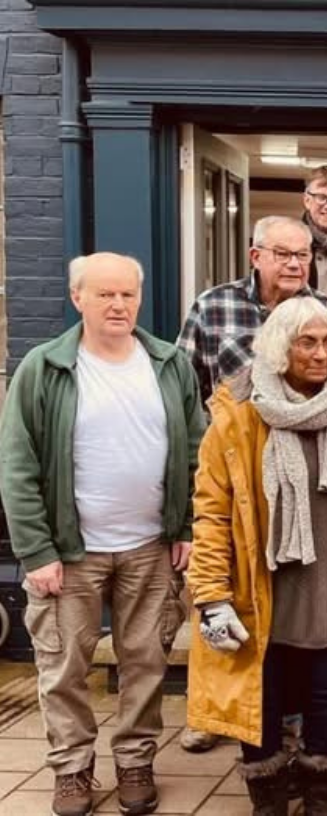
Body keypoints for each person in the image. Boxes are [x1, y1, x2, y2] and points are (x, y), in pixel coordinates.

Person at [0, 252, 206, 816]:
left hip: (151, 547)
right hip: (70, 553)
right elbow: (17, 466)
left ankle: (136, 761)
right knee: (64, 667)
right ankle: (72, 770)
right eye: (104, 294)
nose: (118, 305)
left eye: (127, 294)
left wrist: (187, 525)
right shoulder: (44, 368)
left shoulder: (169, 364)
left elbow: (197, 452)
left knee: (146, 662)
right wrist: (36, 550)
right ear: (78, 298)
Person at [185, 297, 327, 816]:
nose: (321, 354)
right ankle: (268, 794)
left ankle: (322, 792)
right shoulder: (239, 413)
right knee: (261, 692)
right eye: (307, 342)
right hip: (260, 583)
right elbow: (212, 511)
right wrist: (211, 596)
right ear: (281, 348)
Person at [178, 214, 327, 408]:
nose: (294, 264)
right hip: (231, 425)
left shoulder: (326, 310)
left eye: (302, 255)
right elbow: (182, 385)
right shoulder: (213, 305)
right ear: (256, 258)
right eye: (282, 254)